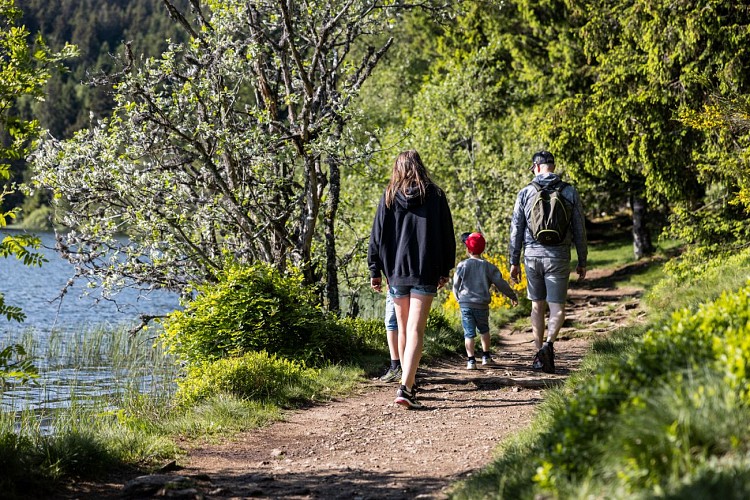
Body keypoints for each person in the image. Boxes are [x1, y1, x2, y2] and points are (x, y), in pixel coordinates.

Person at [368, 150, 456, 409]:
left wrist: (375, 269)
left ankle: (408, 381)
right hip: (425, 269)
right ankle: (406, 386)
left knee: (404, 328)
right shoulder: (436, 195)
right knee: (416, 329)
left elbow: (377, 235)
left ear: (398, 168)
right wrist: (444, 269)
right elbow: (446, 235)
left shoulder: (389, 196)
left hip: (396, 271)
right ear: (420, 166)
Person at [508, 150, 587, 374]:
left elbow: (516, 229)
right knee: (557, 308)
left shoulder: (525, 192)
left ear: (536, 167)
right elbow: (579, 228)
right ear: (553, 166)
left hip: (532, 256)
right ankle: (548, 345)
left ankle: (538, 355)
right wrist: (582, 259)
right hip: (559, 257)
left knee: (537, 306)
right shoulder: (569, 191)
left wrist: (514, 260)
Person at [453, 232, 518, 370]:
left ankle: (471, 361)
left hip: (465, 304)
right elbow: (501, 283)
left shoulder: (462, 265)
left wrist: (458, 298)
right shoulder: (488, 266)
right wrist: (512, 295)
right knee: (484, 330)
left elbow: (455, 285)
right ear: (482, 249)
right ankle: (486, 357)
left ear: (467, 249)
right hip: (481, 305)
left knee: (468, 333)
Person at [379, 291, 402, 382]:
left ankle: (396, 368)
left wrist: (375, 276)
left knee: (391, 323)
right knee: (411, 326)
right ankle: (405, 369)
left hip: (396, 283)